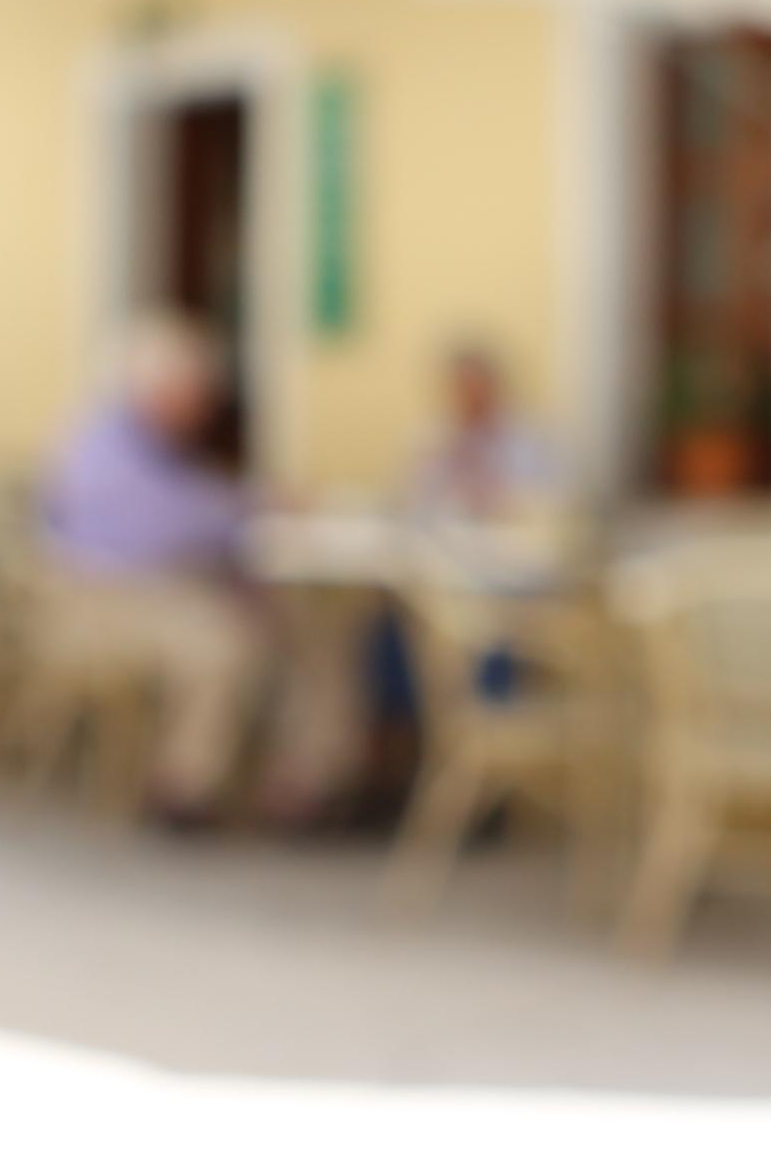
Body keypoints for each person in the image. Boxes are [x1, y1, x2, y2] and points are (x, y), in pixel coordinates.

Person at [38, 313, 355, 826]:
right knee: (223, 644)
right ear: (165, 390)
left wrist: (242, 510)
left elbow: (190, 511)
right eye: (197, 396)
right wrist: (251, 508)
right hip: (101, 601)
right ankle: (185, 788)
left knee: (305, 629)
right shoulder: (109, 447)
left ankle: (307, 782)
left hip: (140, 592)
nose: (205, 410)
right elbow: (170, 527)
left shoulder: (145, 444)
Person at [403, 338, 570, 532]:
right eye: (462, 390)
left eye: (477, 390)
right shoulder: (433, 438)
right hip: (448, 539)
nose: (470, 399)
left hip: (510, 540)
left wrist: (495, 496)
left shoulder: (530, 439)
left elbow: (552, 502)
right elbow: (413, 502)